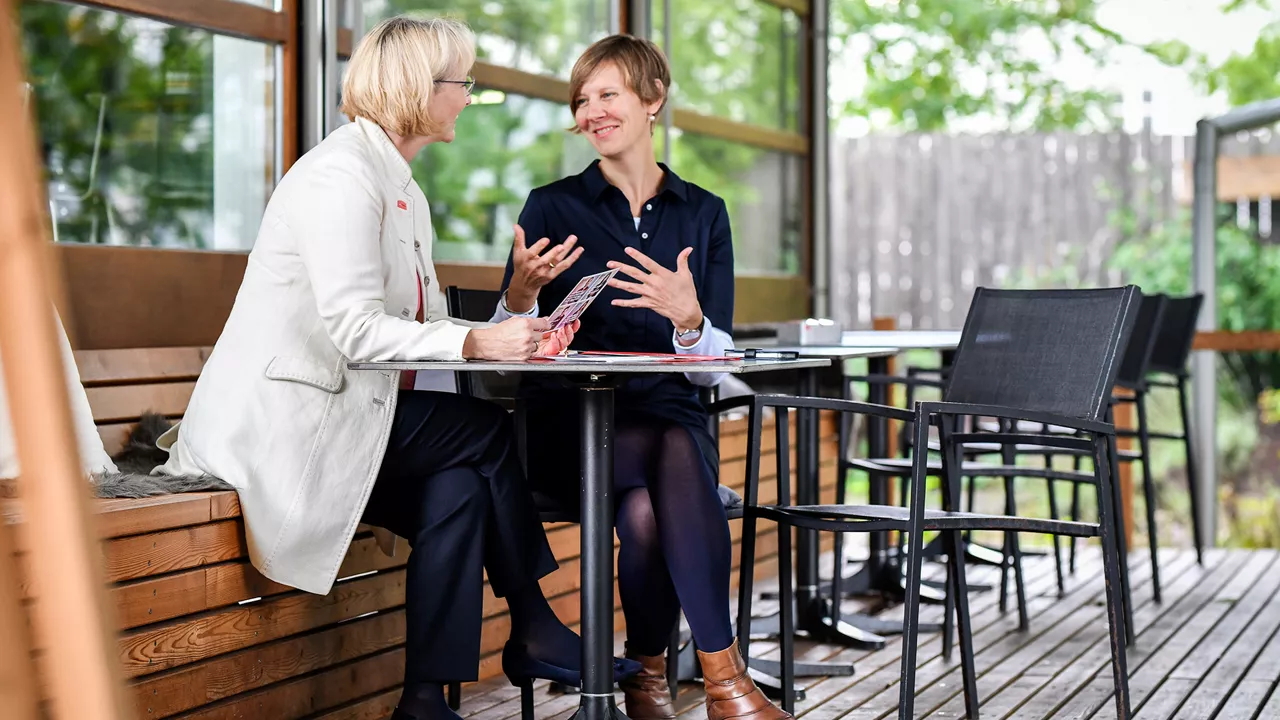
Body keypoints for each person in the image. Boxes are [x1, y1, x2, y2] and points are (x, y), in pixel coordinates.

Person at [153, 17, 637, 720]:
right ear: (419, 89)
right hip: (284, 435)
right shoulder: (342, 178)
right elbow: (356, 330)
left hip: (349, 421)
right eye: (461, 84)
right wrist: (477, 346)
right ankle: (531, 621)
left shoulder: (401, 190)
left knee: (460, 488)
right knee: (478, 432)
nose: (469, 98)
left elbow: (422, 329)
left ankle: (423, 701)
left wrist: (513, 324)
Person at [494, 34, 789, 720]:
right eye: (581, 99)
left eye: (608, 94)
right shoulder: (549, 206)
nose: (591, 110)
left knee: (649, 507)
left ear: (652, 100)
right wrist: (518, 299)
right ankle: (725, 682)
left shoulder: (703, 212)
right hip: (572, 431)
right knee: (670, 453)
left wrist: (690, 322)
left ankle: (652, 679)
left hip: (671, 425)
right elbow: (505, 342)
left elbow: (713, 364)